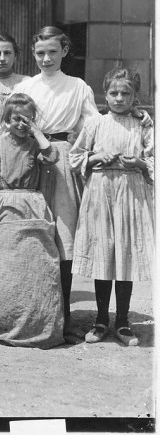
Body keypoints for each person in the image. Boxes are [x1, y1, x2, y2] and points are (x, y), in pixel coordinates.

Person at [5, 26, 101, 342]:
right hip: (28, 157)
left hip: (62, 160)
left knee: (62, 237)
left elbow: (93, 128)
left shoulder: (77, 86)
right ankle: (31, 312)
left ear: (64, 51)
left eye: (52, 52)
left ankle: (63, 316)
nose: (46, 58)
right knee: (32, 232)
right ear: (33, 55)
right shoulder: (25, 86)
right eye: (40, 53)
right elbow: (10, 123)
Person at [0, 93, 64, 348]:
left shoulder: (36, 144)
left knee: (33, 266)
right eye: (16, 120)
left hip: (30, 206)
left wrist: (37, 132)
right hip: (1, 205)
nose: (21, 125)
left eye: (27, 120)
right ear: (6, 120)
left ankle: (35, 322)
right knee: (2, 265)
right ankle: (0, 319)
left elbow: (53, 155)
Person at [70, 68, 154, 347]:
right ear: (104, 95)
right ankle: (101, 319)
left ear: (135, 96)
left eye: (126, 93)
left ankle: (123, 321)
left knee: (125, 257)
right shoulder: (95, 123)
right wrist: (96, 157)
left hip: (130, 194)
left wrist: (139, 164)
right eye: (114, 93)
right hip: (101, 192)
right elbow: (75, 156)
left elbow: (154, 157)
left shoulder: (143, 123)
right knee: (103, 254)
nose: (119, 98)